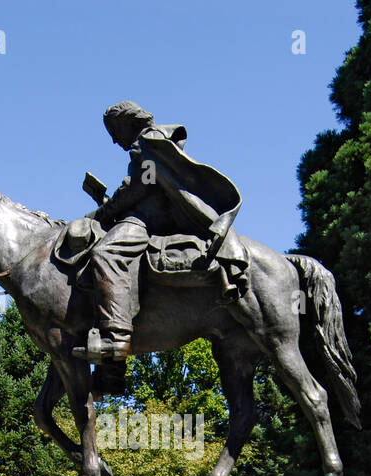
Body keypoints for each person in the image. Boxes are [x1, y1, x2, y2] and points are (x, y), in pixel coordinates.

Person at [75, 101, 248, 371]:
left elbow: (137, 189)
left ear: (126, 124)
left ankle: (116, 340)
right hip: (149, 212)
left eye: (113, 131)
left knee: (106, 253)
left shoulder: (147, 142)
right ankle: (111, 368)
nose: (113, 140)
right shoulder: (155, 142)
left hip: (149, 218)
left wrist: (99, 214)